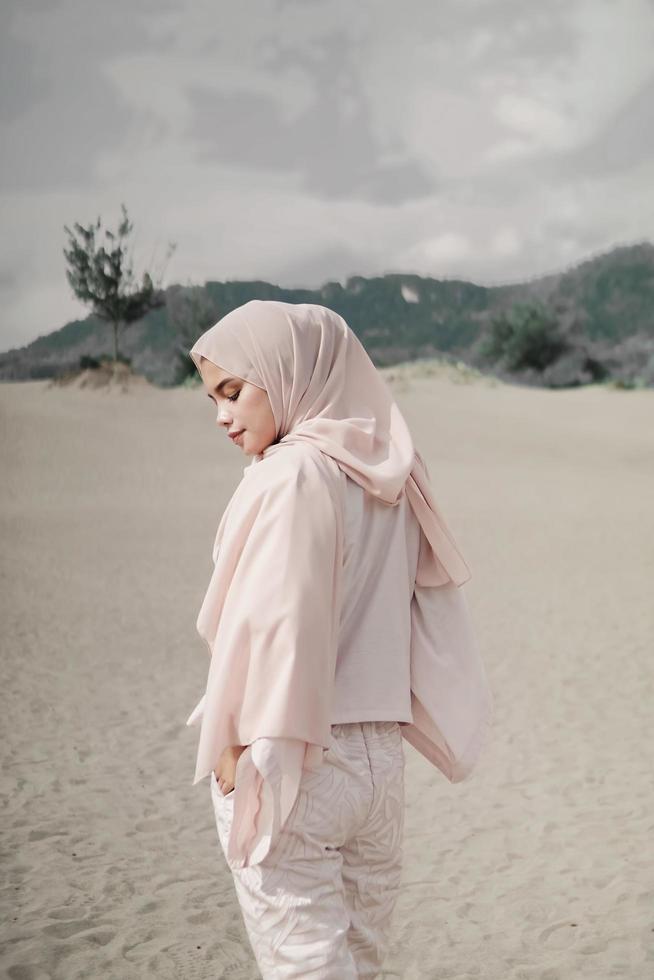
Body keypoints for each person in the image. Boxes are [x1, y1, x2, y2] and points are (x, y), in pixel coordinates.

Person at [185, 300, 493, 979]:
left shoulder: (291, 475)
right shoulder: (393, 469)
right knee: (360, 962)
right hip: (380, 762)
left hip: (296, 749)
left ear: (289, 372)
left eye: (234, 391)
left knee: (306, 966)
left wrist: (237, 745)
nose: (222, 416)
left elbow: (273, 622)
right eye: (212, 398)